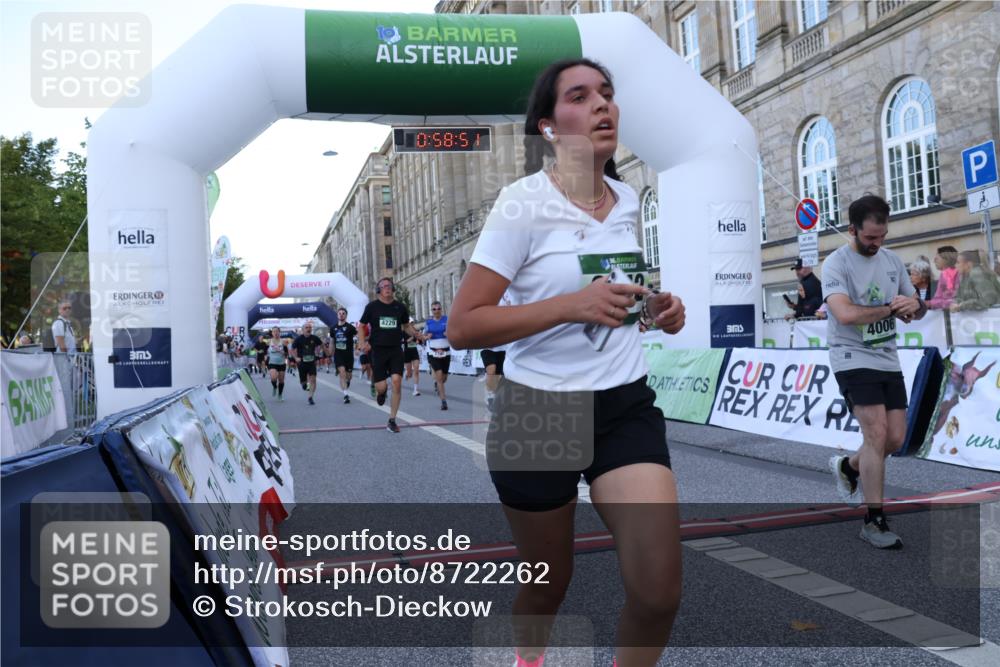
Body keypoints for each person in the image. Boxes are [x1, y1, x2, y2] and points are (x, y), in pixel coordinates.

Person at [448, 59, 686, 667]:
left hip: (623, 403)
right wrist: (568, 306)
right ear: (550, 127)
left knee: (659, 592)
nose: (603, 105)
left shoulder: (628, 198)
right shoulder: (521, 204)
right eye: (581, 97)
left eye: (607, 93)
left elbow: (614, 295)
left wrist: (655, 308)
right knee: (547, 586)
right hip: (538, 412)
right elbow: (464, 325)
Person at [822, 194, 927, 549]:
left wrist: (915, 304)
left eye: (882, 237)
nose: (876, 244)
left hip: (887, 358)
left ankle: (850, 467)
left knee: (894, 439)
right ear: (852, 230)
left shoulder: (893, 260)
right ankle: (874, 520)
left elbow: (914, 308)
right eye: (869, 238)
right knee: (876, 432)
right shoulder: (836, 264)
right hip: (851, 356)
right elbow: (846, 315)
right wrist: (889, 308)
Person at [358, 277, 425, 433]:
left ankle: (392, 420)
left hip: (396, 349)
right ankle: (381, 393)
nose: (387, 288)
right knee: (382, 387)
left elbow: (406, 326)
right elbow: (361, 327)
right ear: (379, 290)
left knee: (396, 382)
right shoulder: (372, 307)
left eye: (389, 285)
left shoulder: (400, 307)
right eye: (383, 286)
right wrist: (362, 343)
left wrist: (417, 334)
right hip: (378, 350)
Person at [480, 291, 514, 411]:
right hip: (489, 343)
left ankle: (494, 393)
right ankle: (490, 396)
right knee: (492, 369)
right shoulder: (487, 294)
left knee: (498, 375)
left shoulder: (510, 293)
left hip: (504, 343)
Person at [425, 301, 451, 410]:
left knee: (444, 378)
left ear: (441, 309)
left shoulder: (447, 320)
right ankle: (443, 401)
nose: (436, 311)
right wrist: (427, 336)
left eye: (438, 309)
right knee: (440, 376)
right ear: (432, 311)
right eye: (434, 309)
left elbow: (454, 332)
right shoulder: (429, 323)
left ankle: (437, 383)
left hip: (446, 351)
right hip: (433, 352)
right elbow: (423, 337)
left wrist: (448, 334)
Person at [292, 322, 324, 405]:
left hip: (311, 362)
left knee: (313, 379)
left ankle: (310, 397)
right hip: (302, 363)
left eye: (310, 327)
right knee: (303, 382)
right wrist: (296, 358)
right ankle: (304, 384)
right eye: (306, 327)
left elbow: (321, 344)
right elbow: (292, 349)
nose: (308, 329)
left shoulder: (315, 338)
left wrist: (323, 352)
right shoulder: (298, 339)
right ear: (303, 330)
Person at [332, 308, 358, 404]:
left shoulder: (350, 327)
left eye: (343, 313)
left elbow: (358, 336)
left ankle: (348, 382)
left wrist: (358, 348)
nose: (341, 315)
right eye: (340, 313)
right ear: (337, 315)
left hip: (348, 355)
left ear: (346, 316)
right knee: (342, 373)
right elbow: (332, 341)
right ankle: (346, 395)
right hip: (338, 355)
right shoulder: (333, 328)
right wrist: (330, 352)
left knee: (348, 376)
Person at [927, 245, 959, 310]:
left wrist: (930, 303)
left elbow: (956, 300)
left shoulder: (959, 274)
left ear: (946, 258)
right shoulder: (944, 274)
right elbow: (938, 298)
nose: (934, 261)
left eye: (937, 258)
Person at [266, 326, 289, 401]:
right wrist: (265, 356)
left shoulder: (284, 341)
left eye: (277, 331)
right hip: (272, 363)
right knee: (273, 377)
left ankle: (280, 395)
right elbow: (265, 351)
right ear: (272, 333)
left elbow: (287, 354)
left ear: (279, 332)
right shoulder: (269, 342)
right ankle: (275, 387)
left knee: (281, 380)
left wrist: (281, 351)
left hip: (281, 363)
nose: (275, 333)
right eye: (274, 331)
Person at [402, 330, 422, 396]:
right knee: (410, 374)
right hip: (407, 353)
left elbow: (419, 341)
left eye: (413, 323)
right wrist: (411, 338)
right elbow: (404, 341)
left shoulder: (414, 331)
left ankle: (415, 390)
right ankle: (407, 373)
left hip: (414, 352)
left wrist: (418, 340)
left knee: (416, 371)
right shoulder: (403, 332)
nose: (412, 324)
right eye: (411, 323)